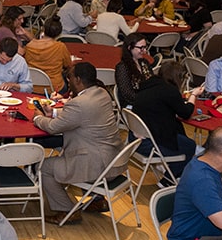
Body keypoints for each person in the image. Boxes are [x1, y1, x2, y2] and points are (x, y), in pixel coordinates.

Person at [32, 62, 122, 223]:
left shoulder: (79, 103)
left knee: (43, 167)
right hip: (113, 160)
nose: (68, 81)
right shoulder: (101, 93)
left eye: (70, 78)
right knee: (72, 153)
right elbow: (79, 115)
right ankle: (97, 200)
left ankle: (67, 211)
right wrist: (52, 112)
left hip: (95, 166)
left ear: (78, 80)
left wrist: (37, 117)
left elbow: (53, 127)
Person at [132, 60, 201, 178]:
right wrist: (193, 95)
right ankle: (169, 178)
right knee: (190, 146)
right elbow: (186, 113)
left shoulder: (148, 85)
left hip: (136, 137)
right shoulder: (169, 91)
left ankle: (174, 169)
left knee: (178, 129)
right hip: (151, 143)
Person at [23, 17, 72, 95]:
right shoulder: (60, 47)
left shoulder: (29, 46)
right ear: (59, 33)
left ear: (43, 29)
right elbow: (68, 65)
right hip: (54, 88)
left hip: (32, 85)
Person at [115, 33, 153, 107]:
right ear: (129, 48)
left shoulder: (144, 62)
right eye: (141, 48)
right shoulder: (122, 68)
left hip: (147, 100)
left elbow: (152, 82)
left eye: (145, 47)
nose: (144, 51)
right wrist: (148, 100)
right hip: (133, 105)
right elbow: (128, 95)